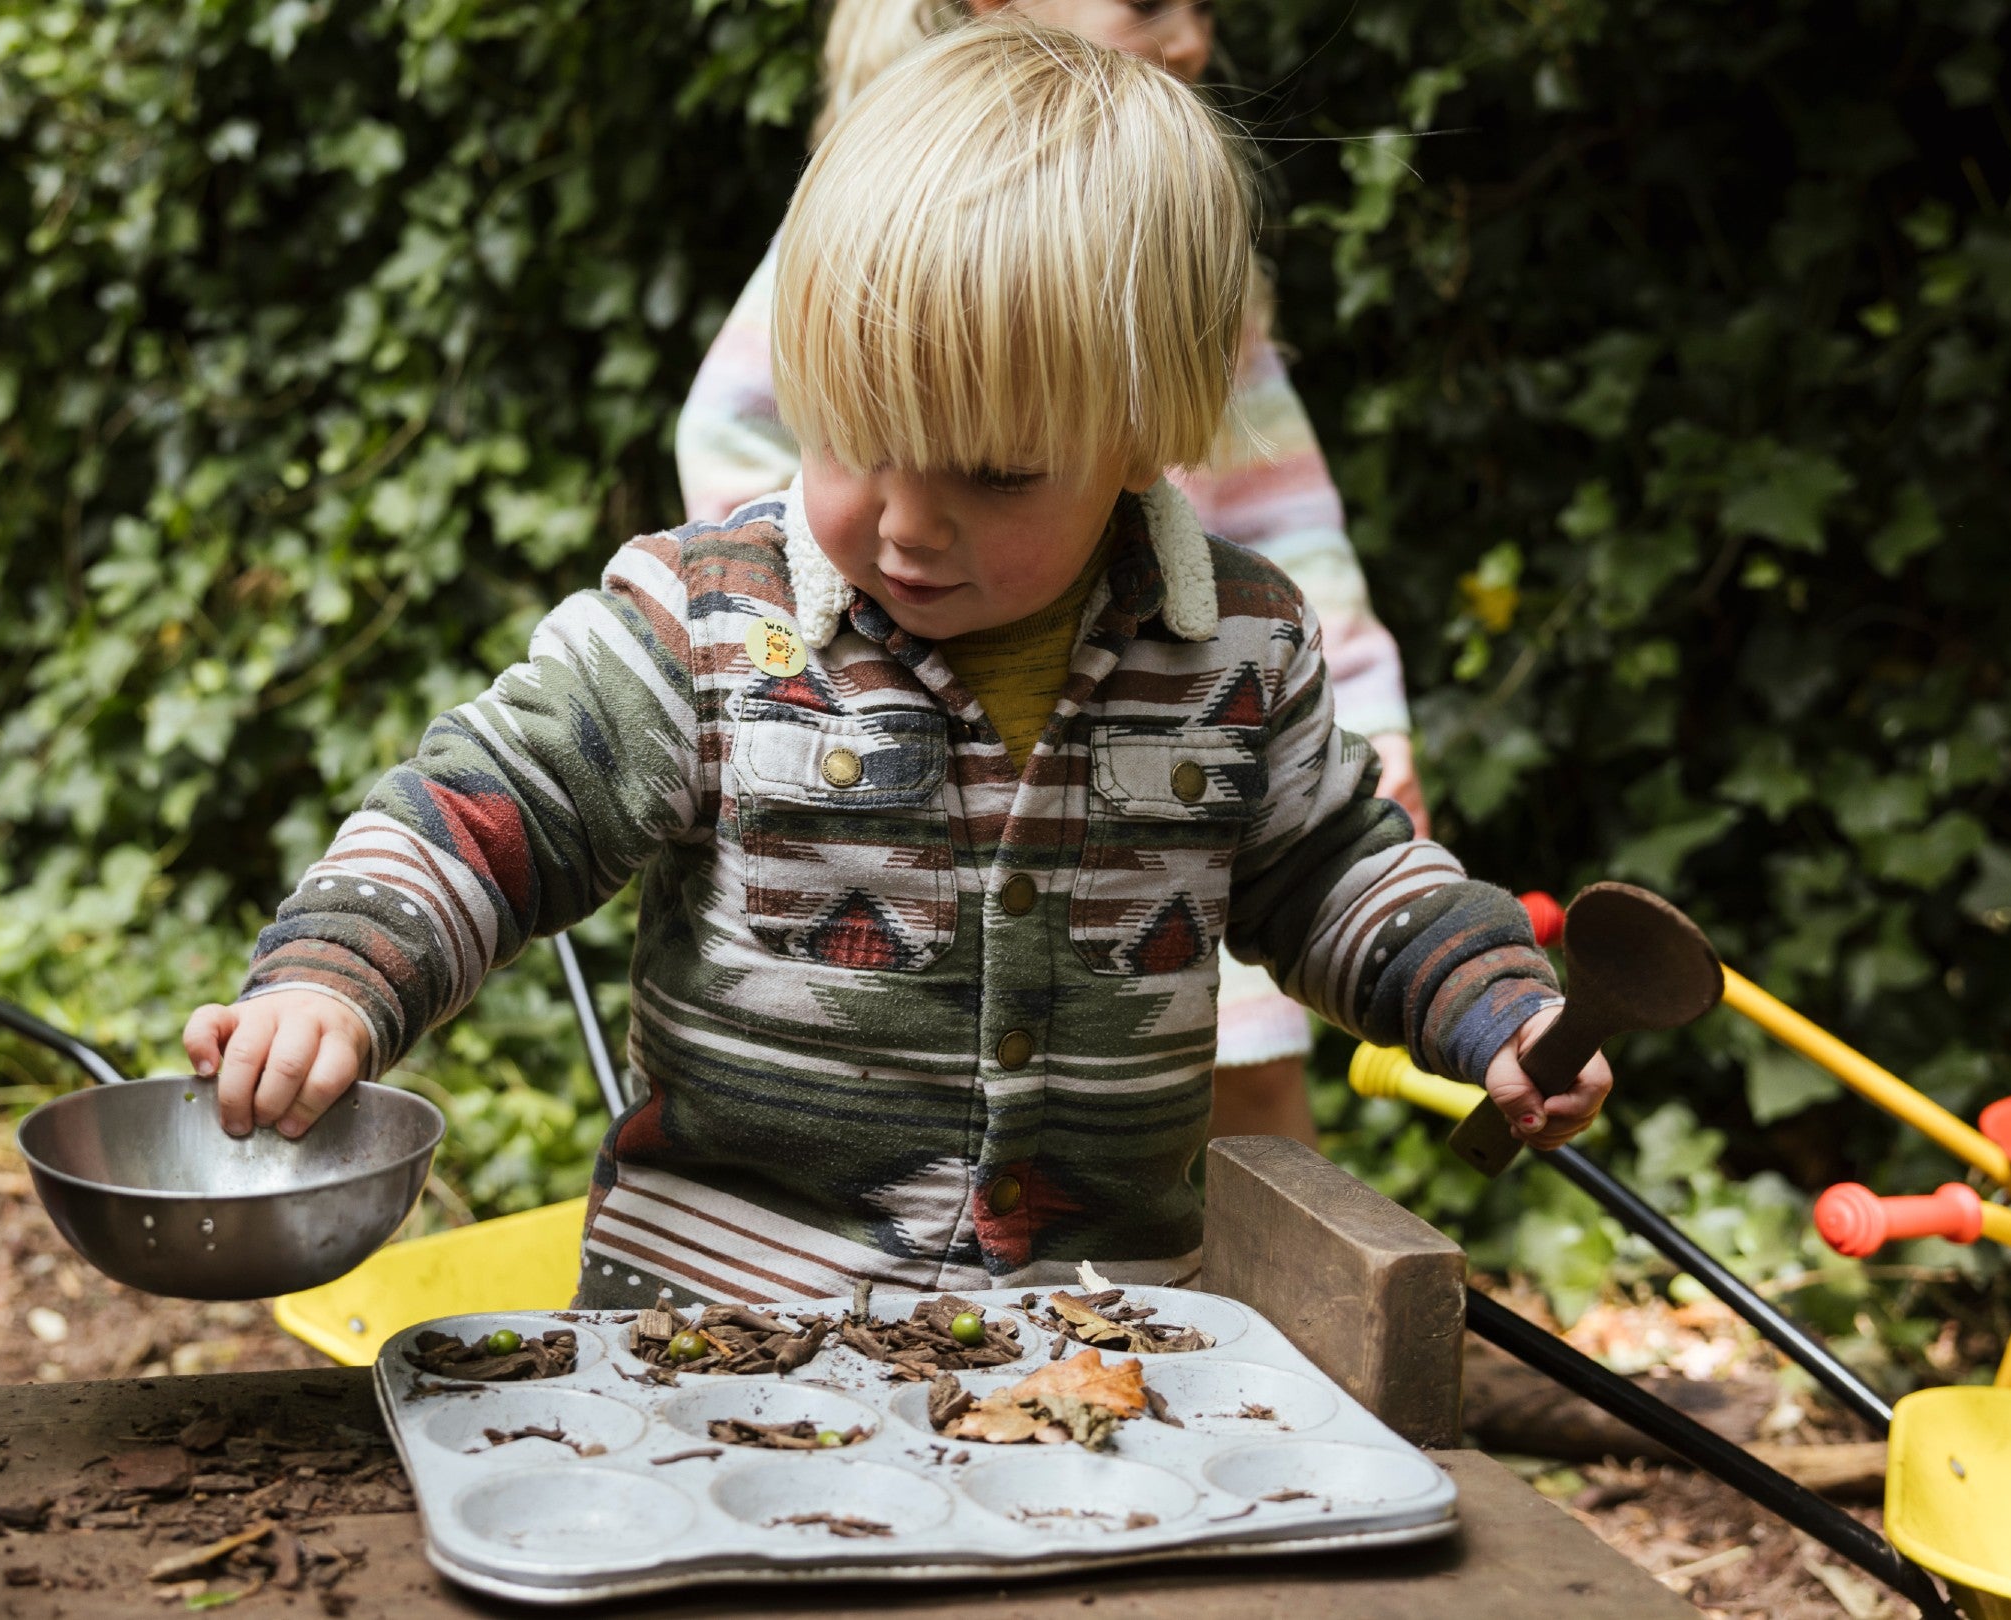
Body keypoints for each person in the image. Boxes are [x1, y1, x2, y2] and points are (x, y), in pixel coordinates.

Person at [187, 22, 1601, 1306]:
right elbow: (489, 810)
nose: (910, 524)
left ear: (1145, 434)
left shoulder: (1233, 650)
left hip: (1096, 1344)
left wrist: (1488, 1005)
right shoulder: (706, 624)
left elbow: (1341, 870)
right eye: (859, 436)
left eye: (993, 476)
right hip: (727, 1327)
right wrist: (331, 977)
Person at [678, 0, 1423, 1145]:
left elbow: (1290, 524)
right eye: (1147, 0)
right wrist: (795, 616)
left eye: (997, 472)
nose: (914, 527)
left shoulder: (1177, 285)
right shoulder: (875, 225)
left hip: (1166, 779)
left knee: (1248, 1094)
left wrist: (1362, 716)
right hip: (886, 819)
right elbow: (729, 436)